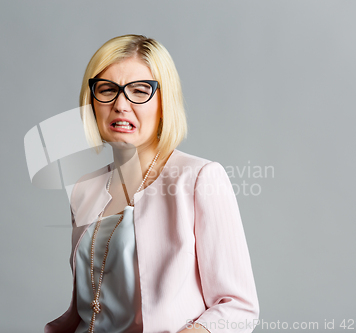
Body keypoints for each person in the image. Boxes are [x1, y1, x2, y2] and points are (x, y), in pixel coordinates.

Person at [45, 34, 259, 333]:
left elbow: (238, 308)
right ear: (91, 101)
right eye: (106, 89)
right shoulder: (85, 188)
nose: (121, 105)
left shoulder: (198, 178)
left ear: (164, 101)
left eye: (139, 90)